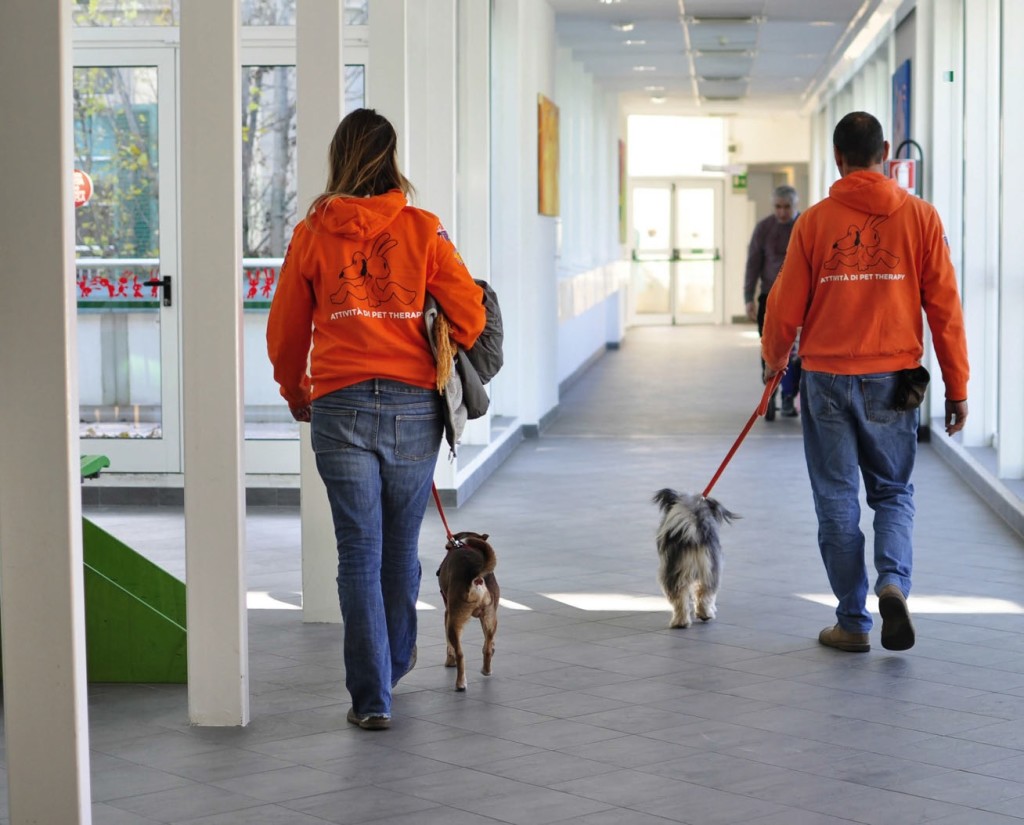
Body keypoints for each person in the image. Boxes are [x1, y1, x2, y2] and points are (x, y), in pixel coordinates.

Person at [266, 108, 486, 729]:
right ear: (392, 158)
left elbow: (284, 328)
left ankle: (371, 697)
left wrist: (294, 388)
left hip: (337, 404)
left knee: (357, 551)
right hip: (414, 406)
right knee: (397, 549)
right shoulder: (423, 228)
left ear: (340, 157)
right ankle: (392, 664)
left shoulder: (313, 232)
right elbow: (470, 315)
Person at [761, 111, 969, 653]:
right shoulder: (922, 217)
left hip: (827, 375)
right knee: (894, 490)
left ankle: (853, 623)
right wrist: (958, 385)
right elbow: (945, 309)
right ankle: (893, 583)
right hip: (898, 375)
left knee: (836, 496)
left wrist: (773, 360)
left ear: (838, 158)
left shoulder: (813, 222)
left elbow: (785, 304)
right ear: (883, 155)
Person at [744, 185, 802, 418]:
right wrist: (748, 297)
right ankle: (772, 392)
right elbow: (753, 264)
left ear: (795, 206)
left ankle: (789, 395)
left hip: (798, 298)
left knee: (795, 352)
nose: (782, 212)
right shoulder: (764, 229)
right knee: (769, 347)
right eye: (778, 207)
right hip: (769, 297)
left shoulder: (804, 226)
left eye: (787, 207)